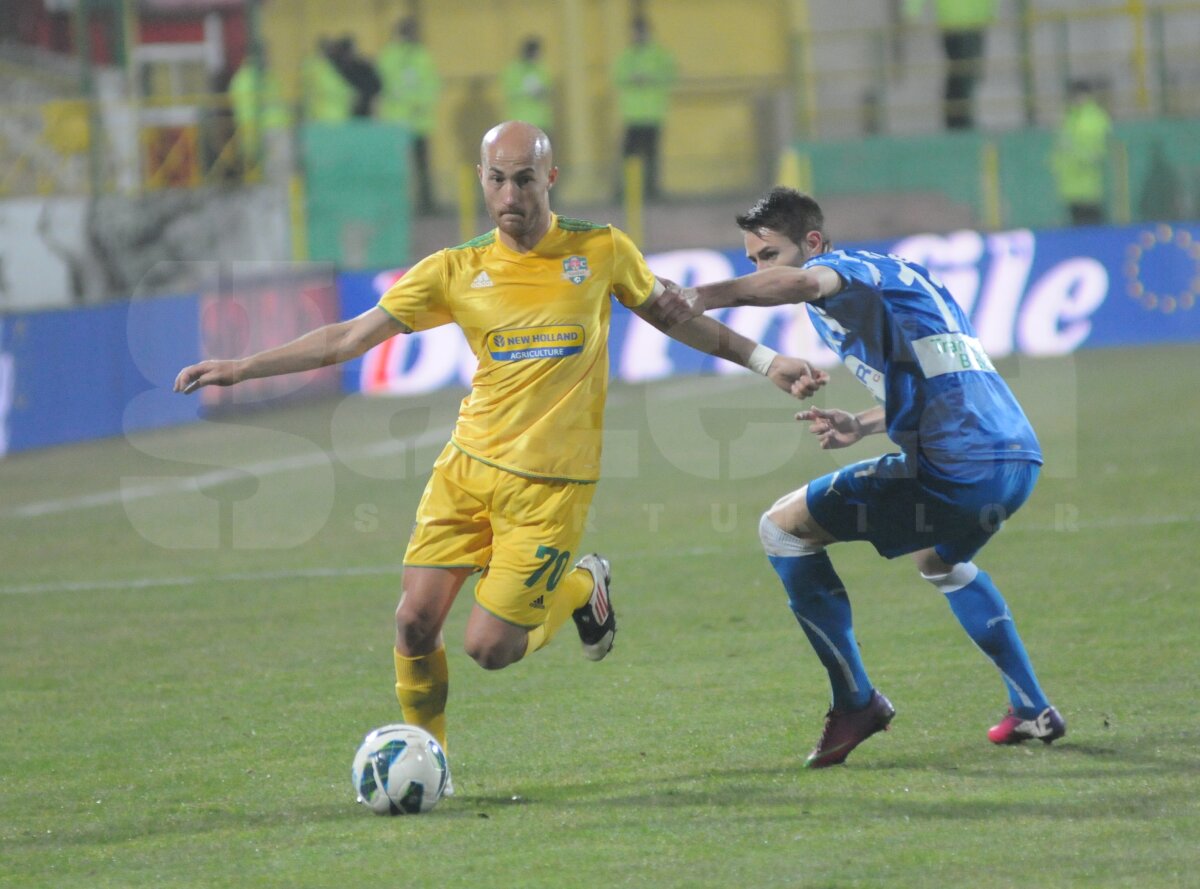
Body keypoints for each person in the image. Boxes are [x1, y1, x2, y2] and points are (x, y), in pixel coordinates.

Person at [173, 123, 824, 783]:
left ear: (550, 178)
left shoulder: (600, 250)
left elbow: (677, 317)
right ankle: (432, 763)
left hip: (551, 489)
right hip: (466, 470)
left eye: (524, 179)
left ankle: (582, 587)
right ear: (481, 180)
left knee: (490, 648)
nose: (510, 194)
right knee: (413, 623)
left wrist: (766, 360)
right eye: (497, 179)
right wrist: (243, 367)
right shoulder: (454, 269)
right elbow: (348, 339)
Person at [659, 186, 1064, 768]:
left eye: (769, 255)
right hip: (1015, 456)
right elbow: (943, 372)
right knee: (939, 561)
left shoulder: (838, 271)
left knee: (782, 529)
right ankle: (1032, 707)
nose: (760, 270)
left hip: (956, 466)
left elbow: (805, 283)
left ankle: (856, 702)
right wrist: (864, 423)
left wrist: (704, 295)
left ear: (813, 242)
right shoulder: (901, 275)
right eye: (751, 259)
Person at [377, 16, 442, 214]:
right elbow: (384, 84)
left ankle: (425, 203)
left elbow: (432, 84)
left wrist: (419, 102)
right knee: (401, 167)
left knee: (421, 166)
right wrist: (416, 101)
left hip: (416, 122)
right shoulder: (391, 55)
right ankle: (401, 203)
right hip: (399, 122)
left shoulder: (420, 55)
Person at [612, 16, 677, 199]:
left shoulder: (659, 55)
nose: (637, 36)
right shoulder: (627, 56)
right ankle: (628, 191)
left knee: (651, 156)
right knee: (629, 156)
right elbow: (616, 77)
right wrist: (632, 78)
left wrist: (650, 77)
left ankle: (652, 191)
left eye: (640, 32)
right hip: (632, 115)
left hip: (652, 114)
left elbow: (671, 74)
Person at [905, 0, 996, 129]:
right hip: (953, 22)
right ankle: (958, 119)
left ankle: (959, 117)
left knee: (970, 73)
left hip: (975, 22)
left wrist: (991, 12)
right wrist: (912, 11)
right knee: (961, 72)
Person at [228, 44, 294, 182]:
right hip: (266, 134)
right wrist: (251, 145)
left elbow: (279, 103)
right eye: (265, 55)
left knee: (284, 174)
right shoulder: (245, 81)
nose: (268, 58)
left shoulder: (269, 76)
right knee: (274, 176)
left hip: (279, 130)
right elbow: (246, 116)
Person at [1051, 79, 1112, 227]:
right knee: (1076, 223)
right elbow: (1060, 145)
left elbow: (1098, 150)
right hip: (1070, 183)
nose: (1076, 99)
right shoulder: (1070, 116)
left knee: (1091, 223)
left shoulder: (1095, 118)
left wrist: (1076, 154)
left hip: (1088, 182)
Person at [501, 36, 554, 138]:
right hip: (520, 122)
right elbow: (509, 91)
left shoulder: (541, 68)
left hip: (542, 121)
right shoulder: (513, 70)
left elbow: (548, 89)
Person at [301, 37, 354, 124]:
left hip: (325, 115)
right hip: (326, 116)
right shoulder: (318, 67)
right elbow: (329, 88)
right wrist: (349, 93)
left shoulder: (315, 65)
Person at [328, 34, 381, 119]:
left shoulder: (362, 67)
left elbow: (376, 86)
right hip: (345, 113)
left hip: (361, 112)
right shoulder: (334, 69)